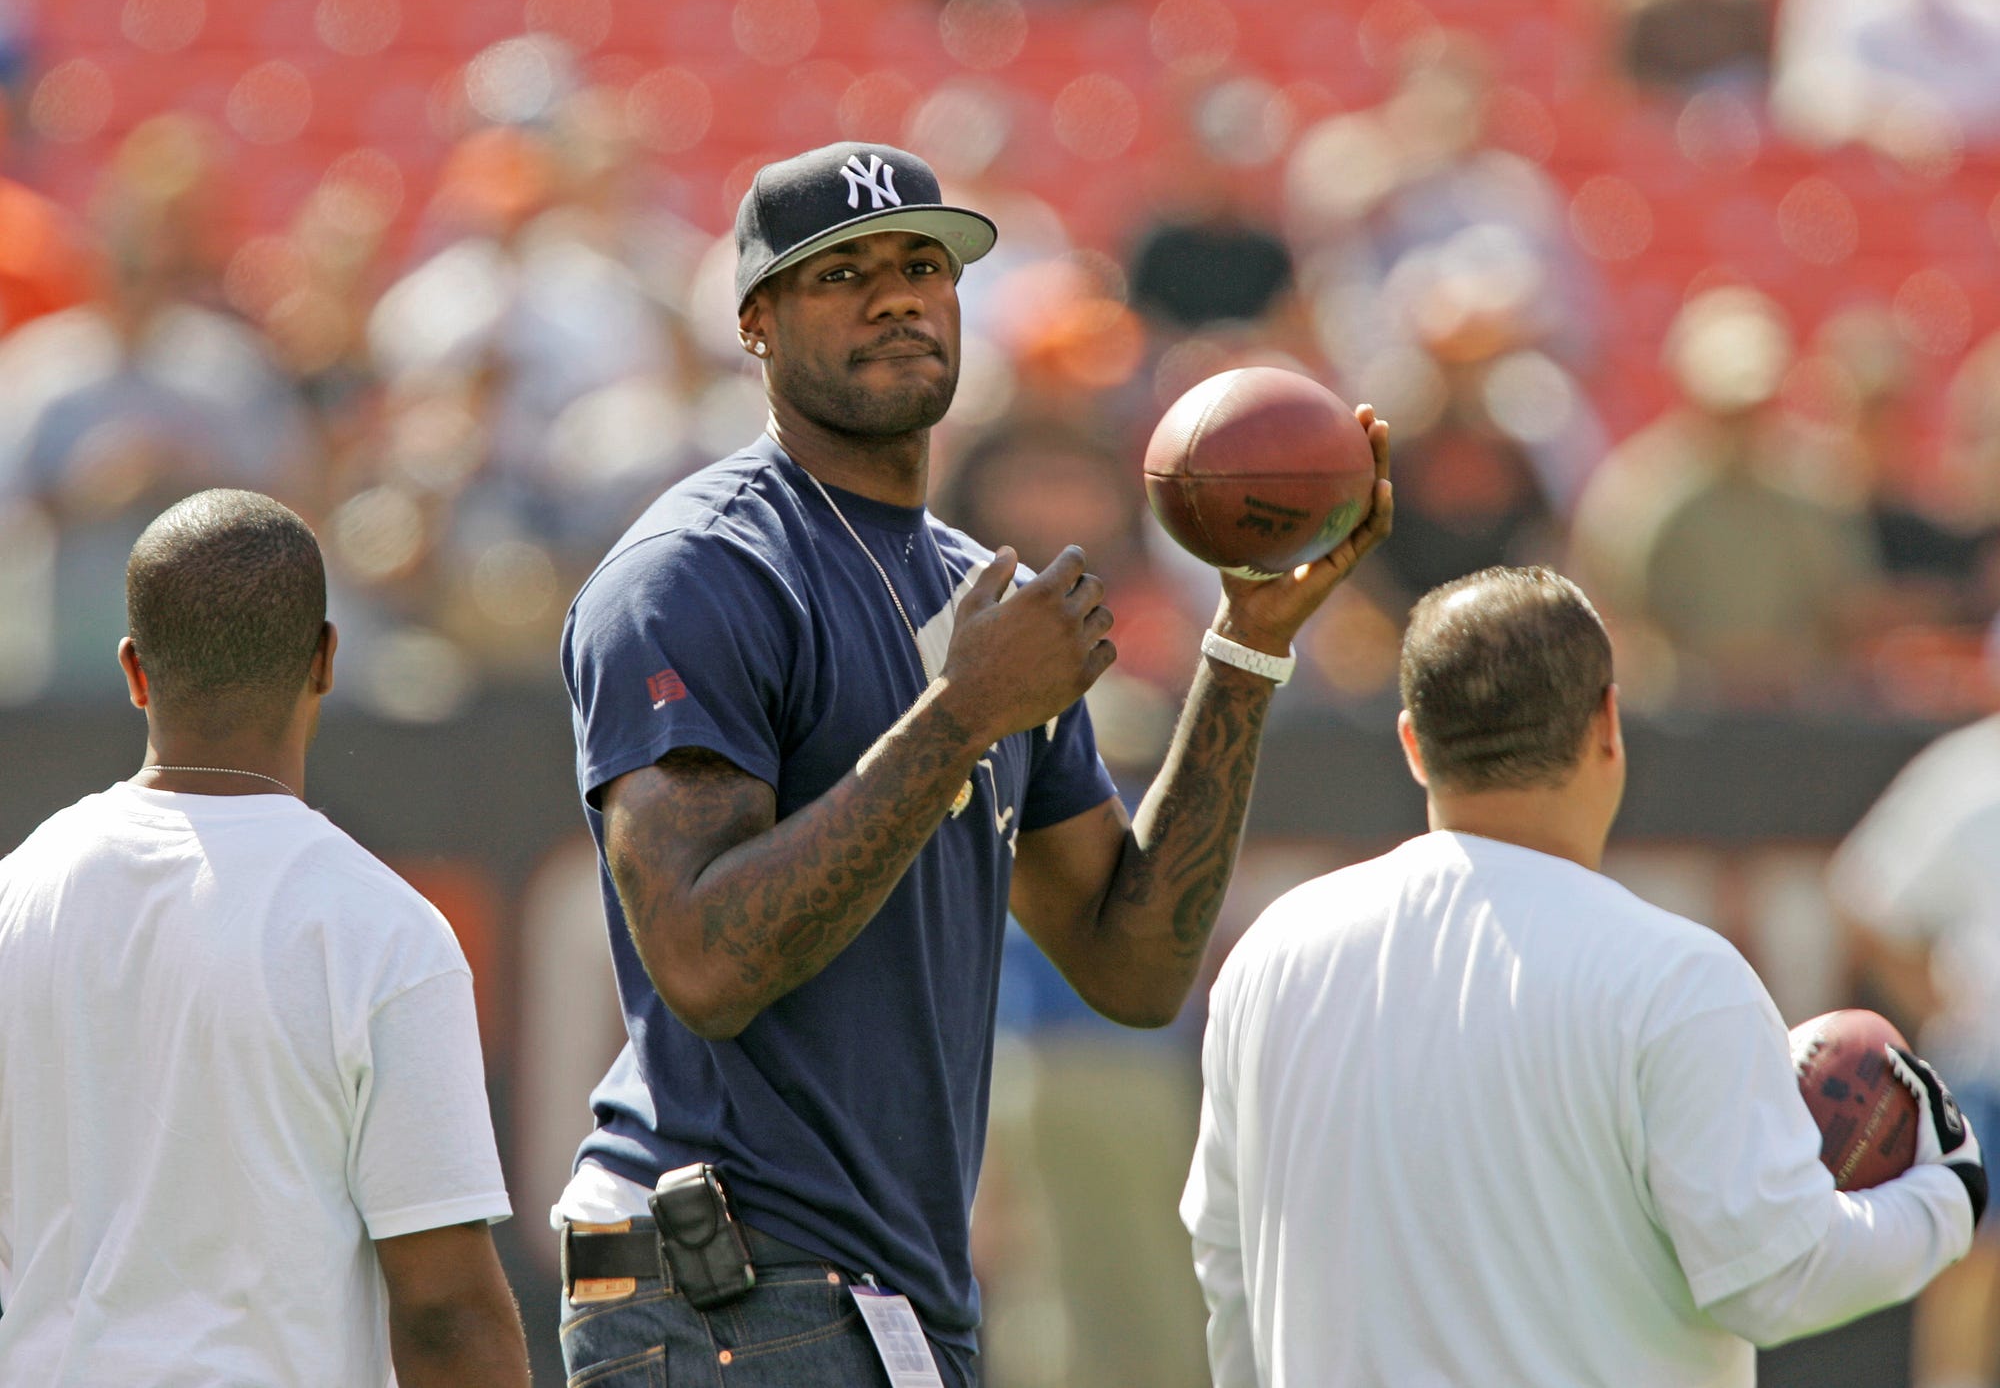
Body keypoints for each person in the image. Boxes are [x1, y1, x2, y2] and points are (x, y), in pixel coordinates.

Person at [552, 139, 1392, 1387]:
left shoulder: (968, 591)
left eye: (921, 265)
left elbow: (1132, 960)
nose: (896, 295)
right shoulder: (700, 571)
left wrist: (1243, 646)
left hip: (888, 1292)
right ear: (756, 323)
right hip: (725, 1285)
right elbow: (703, 960)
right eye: (842, 273)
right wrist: (956, 717)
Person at [1181, 565, 1985, 1388]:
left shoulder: (1270, 954)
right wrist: (1946, 1189)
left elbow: (1229, 1261)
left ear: (1414, 744)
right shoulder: (1676, 975)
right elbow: (1776, 1277)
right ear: (1609, 723)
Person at [0, 489, 529, 1386]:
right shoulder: (384, 932)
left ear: (133, 669)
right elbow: (445, 1310)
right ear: (325, 658)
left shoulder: (17, 895)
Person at [1831, 713, 2000, 1388]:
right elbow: (1863, 895)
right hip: (1989, 1062)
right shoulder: (1970, 772)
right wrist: (1940, 1012)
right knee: (1973, 1255)